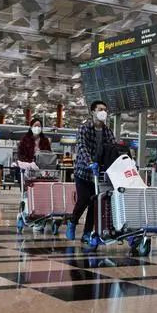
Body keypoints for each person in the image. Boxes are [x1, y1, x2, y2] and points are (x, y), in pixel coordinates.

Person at [67, 101, 116, 243]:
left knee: (95, 203)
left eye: (105, 109)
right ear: (93, 112)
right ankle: (72, 222)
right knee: (83, 199)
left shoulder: (107, 131)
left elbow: (113, 148)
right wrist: (89, 162)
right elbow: (82, 147)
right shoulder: (84, 128)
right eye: (100, 109)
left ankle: (87, 233)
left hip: (98, 174)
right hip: (83, 172)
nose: (103, 112)